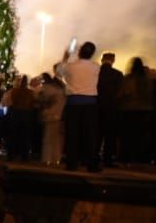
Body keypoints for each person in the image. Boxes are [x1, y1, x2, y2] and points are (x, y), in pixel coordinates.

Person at [57, 41, 102, 172]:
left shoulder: (70, 66)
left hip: (73, 103)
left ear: (80, 51)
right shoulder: (96, 67)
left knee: (72, 134)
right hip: (90, 103)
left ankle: (71, 163)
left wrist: (66, 56)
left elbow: (59, 72)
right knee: (90, 135)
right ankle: (91, 164)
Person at [117, 58, 154, 163]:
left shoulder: (128, 78)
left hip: (128, 110)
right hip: (144, 111)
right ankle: (141, 158)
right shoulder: (147, 80)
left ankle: (126, 157)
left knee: (127, 136)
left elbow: (121, 93)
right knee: (141, 136)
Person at [96, 53, 123, 167]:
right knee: (110, 136)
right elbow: (121, 92)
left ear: (102, 60)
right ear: (113, 60)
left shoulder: (95, 72)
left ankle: (93, 157)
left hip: (96, 106)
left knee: (96, 134)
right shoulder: (117, 74)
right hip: (112, 108)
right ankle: (107, 159)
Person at [4, 75, 36, 160]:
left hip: (15, 113)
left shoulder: (14, 91)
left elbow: (9, 102)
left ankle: (11, 155)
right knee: (25, 135)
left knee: (13, 135)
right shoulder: (30, 92)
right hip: (26, 114)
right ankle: (24, 156)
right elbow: (33, 103)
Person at [37, 73, 66, 165]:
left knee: (48, 138)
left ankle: (47, 158)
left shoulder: (47, 89)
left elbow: (42, 100)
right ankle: (56, 158)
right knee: (58, 139)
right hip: (60, 115)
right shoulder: (62, 90)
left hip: (49, 115)